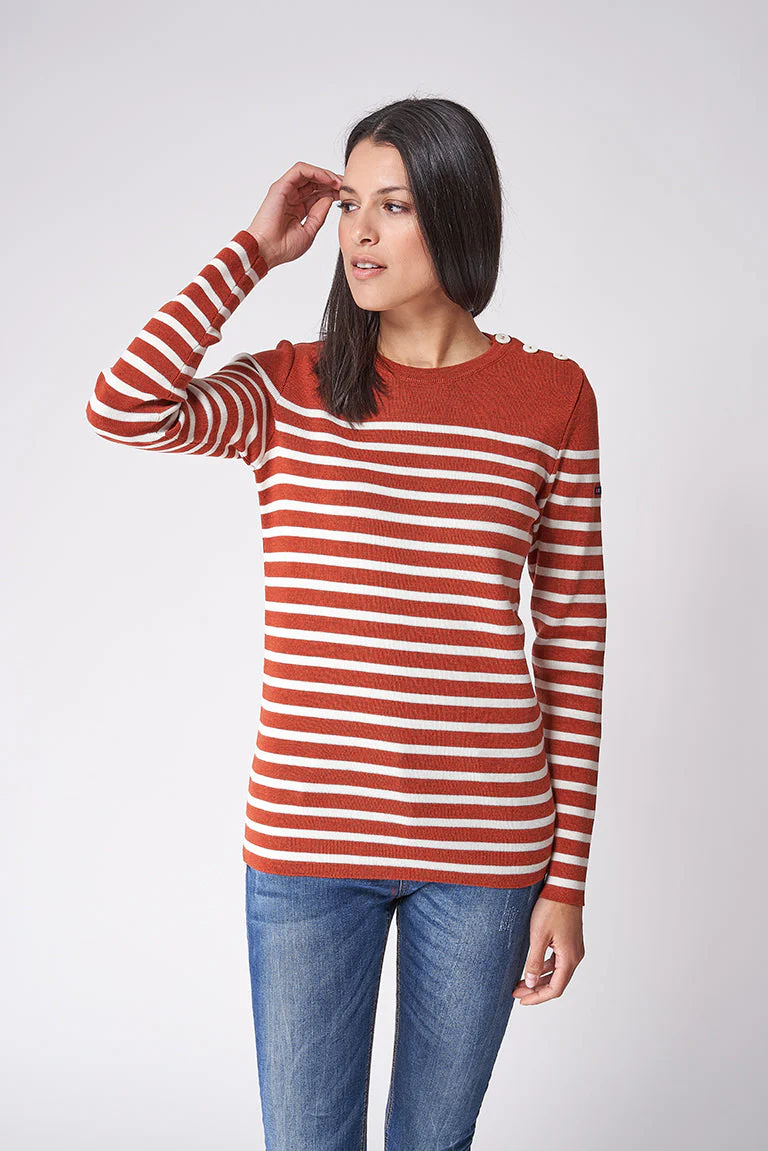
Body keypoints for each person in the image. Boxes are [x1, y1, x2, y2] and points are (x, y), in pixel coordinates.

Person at [85, 96, 607, 1151]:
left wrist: (566, 879)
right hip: (308, 839)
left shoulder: (551, 397)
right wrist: (252, 253)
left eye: (394, 205)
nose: (359, 232)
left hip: (487, 846)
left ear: (458, 214)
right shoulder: (293, 387)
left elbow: (573, 637)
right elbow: (123, 405)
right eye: (349, 204)